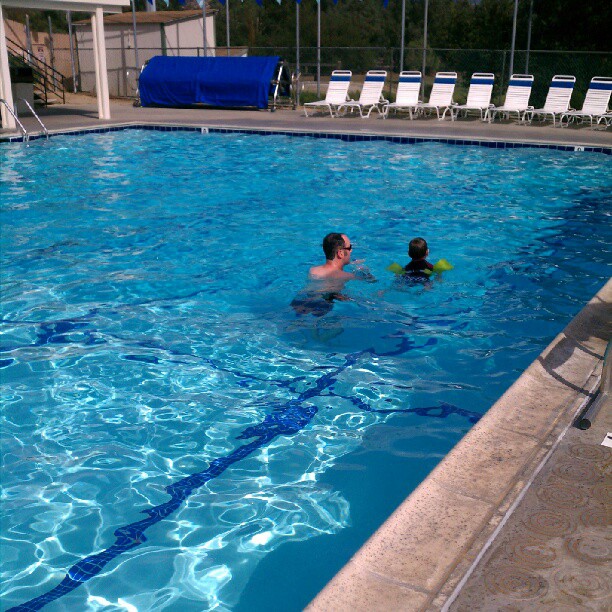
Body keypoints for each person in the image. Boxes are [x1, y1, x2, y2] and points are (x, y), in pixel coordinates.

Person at [291, 233, 357, 317]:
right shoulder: (347, 276)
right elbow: (372, 280)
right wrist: (361, 268)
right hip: (321, 304)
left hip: (300, 300)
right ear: (340, 253)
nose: (351, 250)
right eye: (349, 248)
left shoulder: (313, 270)